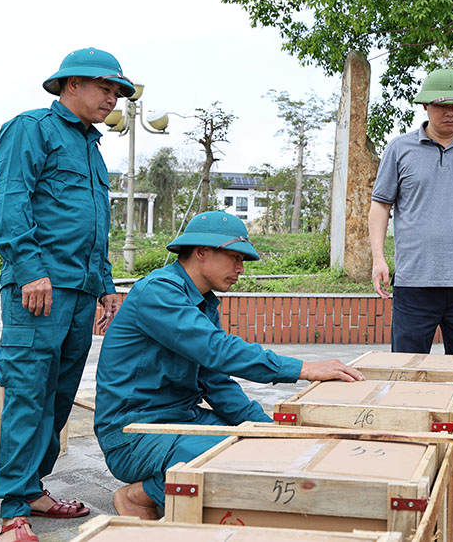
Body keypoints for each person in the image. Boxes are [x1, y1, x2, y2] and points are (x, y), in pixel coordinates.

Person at [93, 211, 366, 519]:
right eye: (235, 258)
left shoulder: (203, 302)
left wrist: (265, 427)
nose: (240, 269)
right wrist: (302, 368)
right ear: (201, 252)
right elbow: (217, 350)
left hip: (183, 419)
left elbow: (216, 381)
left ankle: (170, 490)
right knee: (228, 457)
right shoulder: (159, 292)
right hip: (133, 432)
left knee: (259, 449)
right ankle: (138, 496)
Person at [0, 48, 133, 542]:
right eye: (105, 88)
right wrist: (29, 269)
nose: (112, 98)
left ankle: (33, 488)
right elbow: (10, 200)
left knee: (59, 394)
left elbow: (96, 225)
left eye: (117, 92)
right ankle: (12, 511)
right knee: (29, 392)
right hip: (39, 290)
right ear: (71, 85)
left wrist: (106, 285)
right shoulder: (32, 129)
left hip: (78, 291)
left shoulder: (93, 148)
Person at [368, 67, 453, 479]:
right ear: (426, 106)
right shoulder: (400, 149)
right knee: (408, 370)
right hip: (413, 282)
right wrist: (378, 258)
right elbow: (380, 206)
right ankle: (408, 445)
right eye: (444, 106)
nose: (451, 113)